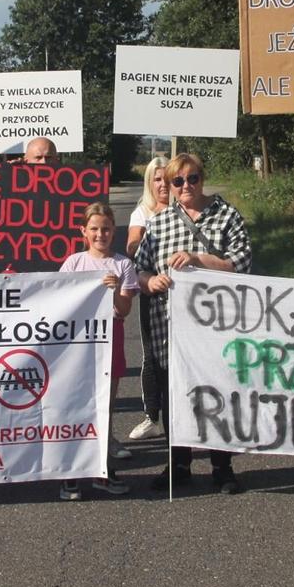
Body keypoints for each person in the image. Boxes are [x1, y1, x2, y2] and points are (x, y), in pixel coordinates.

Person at [134, 153, 252, 494]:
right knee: (175, 395)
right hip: (169, 325)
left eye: (192, 178)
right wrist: (149, 282)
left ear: (202, 178)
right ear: (168, 185)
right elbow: (139, 269)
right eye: (177, 181)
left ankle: (222, 465)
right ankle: (179, 463)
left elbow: (241, 264)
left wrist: (201, 259)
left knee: (217, 391)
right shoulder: (159, 223)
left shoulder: (227, 215)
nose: (186, 186)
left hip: (218, 326)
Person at [58, 203, 139, 500]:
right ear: (83, 232)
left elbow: (125, 309)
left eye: (105, 228)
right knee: (75, 407)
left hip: (110, 341)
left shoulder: (123, 265)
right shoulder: (73, 264)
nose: (100, 234)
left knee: (103, 407)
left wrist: (117, 290)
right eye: (94, 228)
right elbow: (59, 303)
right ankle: (71, 473)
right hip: (77, 347)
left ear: (113, 231)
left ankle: (101, 470)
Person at [126, 157, 169, 441]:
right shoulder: (142, 213)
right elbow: (131, 247)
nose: (164, 184)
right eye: (157, 179)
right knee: (152, 356)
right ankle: (153, 417)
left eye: (169, 178)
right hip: (153, 292)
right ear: (149, 182)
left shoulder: (186, 209)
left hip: (189, 295)